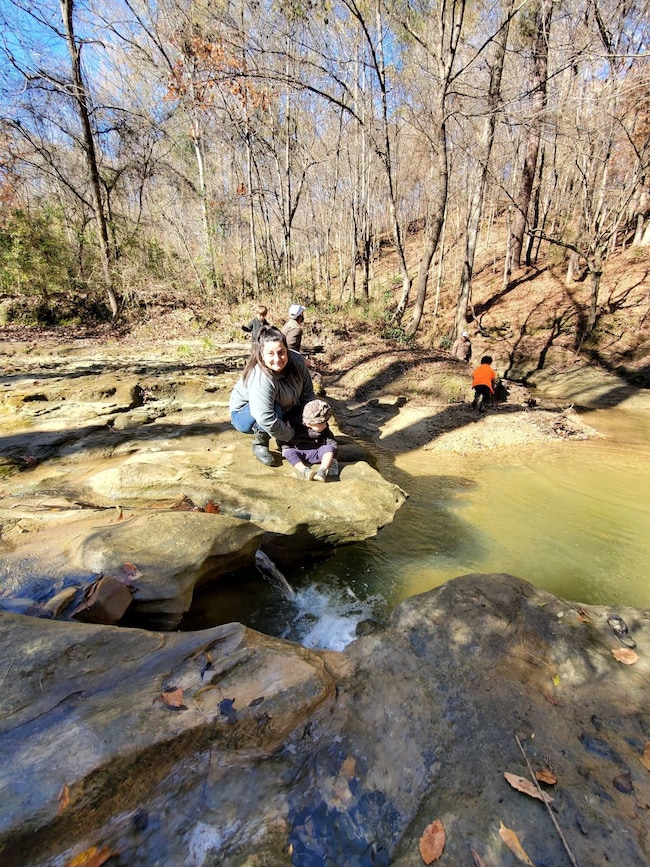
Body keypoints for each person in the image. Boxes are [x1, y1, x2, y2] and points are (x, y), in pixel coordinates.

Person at [229, 326, 316, 465]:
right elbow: (265, 417)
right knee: (275, 410)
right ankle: (261, 443)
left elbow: (309, 396)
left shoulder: (298, 362)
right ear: (262, 355)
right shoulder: (261, 377)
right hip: (245, 415)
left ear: (287, 350)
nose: (277, 359)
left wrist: (312, 422)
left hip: (285, 405)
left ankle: (283, 435)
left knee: (296, 410)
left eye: (281, 352)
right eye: (271, 353)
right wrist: (290, 435)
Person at [282, 399, 339, 482]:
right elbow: (284, 439)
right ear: (310, 423)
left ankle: (322, 470)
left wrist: (333, 452)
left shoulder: (324, 429)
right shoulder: (294, 425)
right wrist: (285, 448)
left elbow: (332, 443)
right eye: (322, 423)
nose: (325, 425)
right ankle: (305, 471)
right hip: (299, 451)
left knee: (329, 449)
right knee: (288, 452)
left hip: (317, 451)